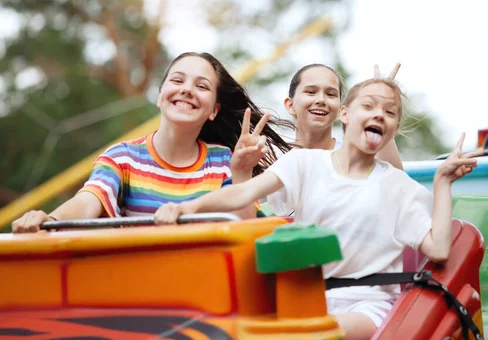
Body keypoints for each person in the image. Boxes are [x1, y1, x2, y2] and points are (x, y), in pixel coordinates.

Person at [153, 77, 478, 340]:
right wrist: (188, 206)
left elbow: (438, 248)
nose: (379, 114)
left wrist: (442, 183)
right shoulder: (304, 163)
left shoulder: (400, 188)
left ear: (392, 128)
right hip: (305, 297)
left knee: (305, 337)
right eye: (369, 106)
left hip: (366, 306)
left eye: (389, 112)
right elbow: (245, 192)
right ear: (346, 115)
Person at [12, 52, 291, 233]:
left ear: (214, 110)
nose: (186, 90)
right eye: (178, 80)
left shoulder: (221, 161)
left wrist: (241, 173)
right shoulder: (123, 158)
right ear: (160, 96)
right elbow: (88, 201)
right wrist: (49, 220)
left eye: (202, 86)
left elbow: (244, 230)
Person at [266, 63, 404, 216]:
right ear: (290, 105)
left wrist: (380, 110)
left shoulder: (353, 156)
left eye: (331, 94)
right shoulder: (270, 156)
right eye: (311, 92)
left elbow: (396, 192)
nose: (321, 100)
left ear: (341, 111)